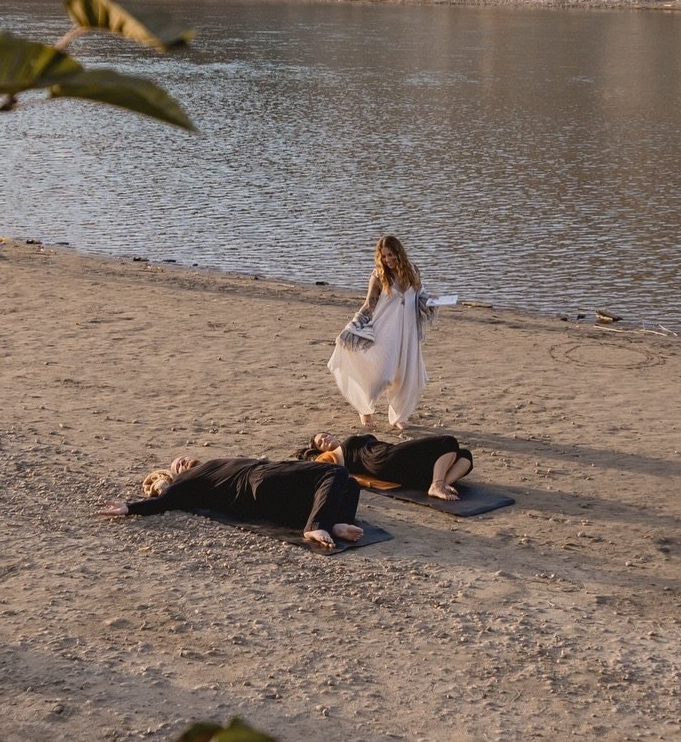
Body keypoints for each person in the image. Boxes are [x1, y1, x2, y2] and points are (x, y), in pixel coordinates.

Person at [96, 454, 364, 551]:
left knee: (348, 484)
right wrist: (130, 507)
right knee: (335, 472)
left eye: (183, 458)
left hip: (274, 489)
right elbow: (165, 501)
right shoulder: (188, 481)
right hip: (258, 480)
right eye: (176, 464)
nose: (182, 461)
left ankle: (336, 524)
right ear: (175, 473)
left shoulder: (211, 464)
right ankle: (316, 524)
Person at [328, 235, 433, 431]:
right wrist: (353, 325)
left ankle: (399, 416)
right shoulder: (378, 276)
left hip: (407, 331)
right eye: (383, 256)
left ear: (399, 253)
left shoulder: (412, 272)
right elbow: (369, 304)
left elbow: (420, 295)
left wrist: (430, 303)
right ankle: (365, 408)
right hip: (384, 330)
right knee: (382, 374)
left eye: (391, 255)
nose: (387, 260)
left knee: (405, 375)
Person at [298, 429, 474, 502]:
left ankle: (442, 483)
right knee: (447, 442)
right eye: (321, 442)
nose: (325, 440)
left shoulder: (344, 445)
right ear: (320, 451)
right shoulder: (337, 454)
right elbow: (326, 469)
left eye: (325, 435)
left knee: (465, 455)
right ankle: (437, 485)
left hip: (392, 463)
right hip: (382, 458)